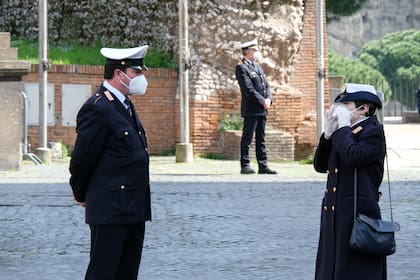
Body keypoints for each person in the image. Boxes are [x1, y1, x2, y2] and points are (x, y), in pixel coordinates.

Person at [69, 45, 151, 280]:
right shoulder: (98, 108)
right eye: (136, 73)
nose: (141, 78)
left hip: (133, 207)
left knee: (127, 274)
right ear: (119, 73)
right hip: (110, 209)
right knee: (103, 273)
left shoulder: (124, 104)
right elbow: (81, 161)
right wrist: (82, 194)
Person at [313, 83, 387, 280]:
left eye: (347, 103)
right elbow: (321, 165)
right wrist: (327, 136)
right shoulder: (343, 132)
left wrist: (343, 129)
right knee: (331, 267)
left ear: (363, 108)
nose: (341, 108)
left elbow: (354, 156)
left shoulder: (373, 131)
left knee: (355, 270)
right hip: (336, 212)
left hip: (358, 213)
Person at [235, 38, 277, 175]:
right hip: (251, 109)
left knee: (261, 138)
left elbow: (266, 86)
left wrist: (269, 99)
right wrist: (262, 101)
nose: (257, 52)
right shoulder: (241, 67)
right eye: (254, 50)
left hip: (263, 108)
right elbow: (248, 89)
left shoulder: (258, 67)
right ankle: (245, 164)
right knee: (247, 138)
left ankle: (263, 165)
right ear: (248, 52)